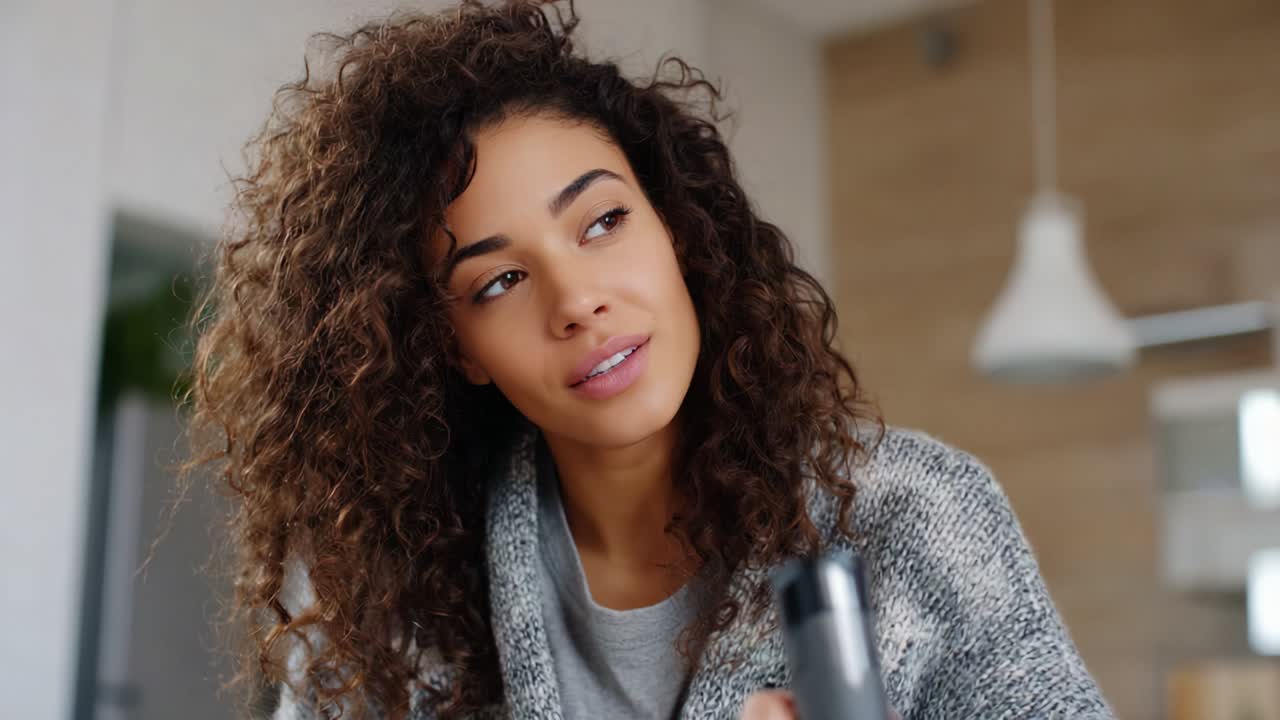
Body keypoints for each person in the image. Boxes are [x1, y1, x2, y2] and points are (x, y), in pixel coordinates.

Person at [183, 1, 1115, 718]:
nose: (576, 301)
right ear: (453, 348)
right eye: (500, 281)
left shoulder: (920, 520)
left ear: (677, 231)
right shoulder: (387, 609)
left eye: (603, 222)